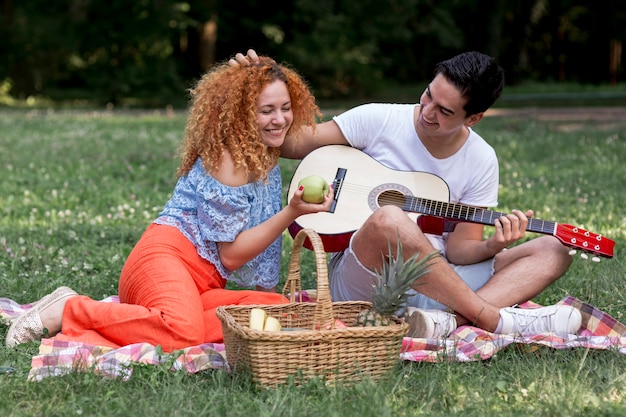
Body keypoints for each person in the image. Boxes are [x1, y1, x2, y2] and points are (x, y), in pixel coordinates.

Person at [232, 49, 581, 338]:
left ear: (473, 119)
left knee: (556, 247)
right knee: (389, 218)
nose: (427, 113)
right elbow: (292, 143)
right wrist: (250, 91)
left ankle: (447, 324)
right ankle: (490, 319)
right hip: (365, 282)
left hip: (440, 279)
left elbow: (459, 250)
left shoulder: (481, 158)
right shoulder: (379, 119)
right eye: (429, 95)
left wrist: (494, 245)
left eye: (445, 112)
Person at [5, 56, 333, 351]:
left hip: (201, 287)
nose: (280, 119)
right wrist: (293, 211)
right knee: (183, 332)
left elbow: (317, 137)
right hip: (162, 262)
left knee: (275, 307)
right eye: (266, 110)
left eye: (285, 107)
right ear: (243, 113)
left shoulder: (264, 151)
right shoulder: (230, 161)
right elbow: (231, 255)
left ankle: (156, 320)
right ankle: (69, 308)